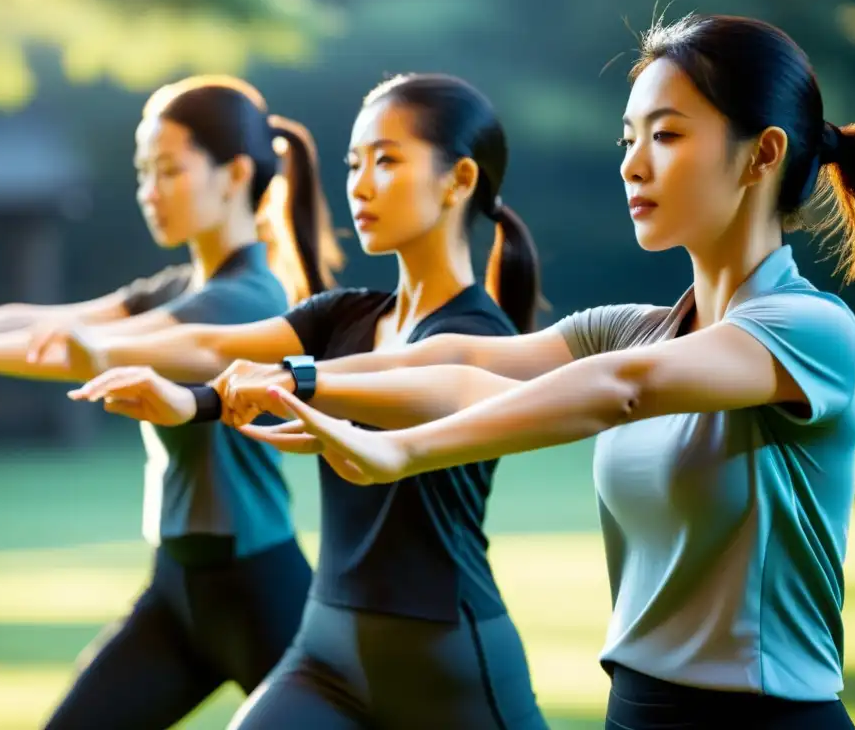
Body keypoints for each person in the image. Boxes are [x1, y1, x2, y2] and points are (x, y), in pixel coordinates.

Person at [174, 15, 855, 729]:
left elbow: (620, 390)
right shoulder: (635, 329)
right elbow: (461, 363)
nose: (632, 164)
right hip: (637, 710)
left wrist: (403, 450)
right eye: (628, 138)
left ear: (762, 154)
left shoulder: (809, 332)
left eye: (666, 135)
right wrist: (303, 383)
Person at [66, 73, 550, 729]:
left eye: (386, 160)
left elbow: (394, 382)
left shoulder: (478, 338)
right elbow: (213, 343)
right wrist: (184, 396)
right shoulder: (340, 316)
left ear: (459, 180)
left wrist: (277, 383)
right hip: (325, 650)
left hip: (447, 661)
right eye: (353, 163)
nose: (360, 183)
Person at [0, 75, 342, 730]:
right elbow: (44, 318)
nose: (149, 192)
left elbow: (89, 348)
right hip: (176, 590)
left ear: (234, 174)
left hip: (259, 593)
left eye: (169, 171)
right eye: (142, 172)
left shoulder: (247, 300)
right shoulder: (178, 285)